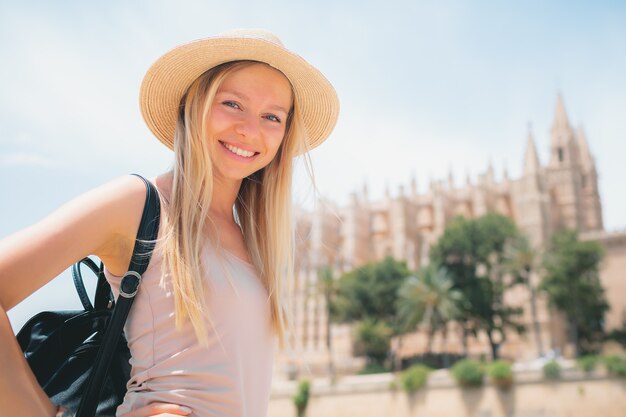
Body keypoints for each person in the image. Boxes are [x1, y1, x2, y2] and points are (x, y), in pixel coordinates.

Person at [0, 29, 339, 417]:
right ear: (194, 106)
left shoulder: (254, 241)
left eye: (272, 116)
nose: (250, 129)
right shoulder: (139, 203)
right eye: (232, 103)